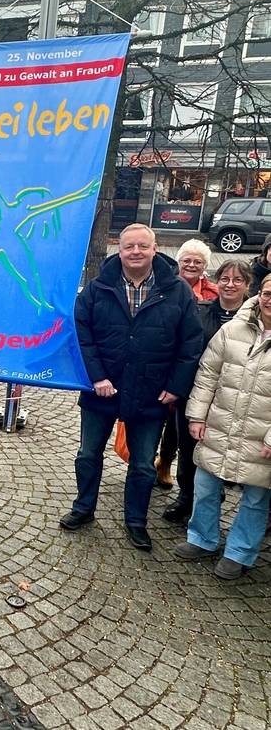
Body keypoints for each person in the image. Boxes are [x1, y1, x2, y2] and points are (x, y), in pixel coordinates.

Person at [60, 224, 202, 551]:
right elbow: (82, 334)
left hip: (152, 391)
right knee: (87, 454)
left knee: (141, 463)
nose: (135, 252)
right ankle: (83, 508)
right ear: (119, 251)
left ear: (155, 249)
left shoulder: (177, 290)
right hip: (101, 389)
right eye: (128, 246)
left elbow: (190, 344)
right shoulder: (97, 288)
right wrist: (96, 376)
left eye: (142, 246)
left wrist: (176, 386)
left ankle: (136, 521)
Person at [176, 273, 271, 579]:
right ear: (260, 294)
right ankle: (202, 538)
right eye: (268, 293)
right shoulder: (232, 330)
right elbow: (207, 375)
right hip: (221, 424)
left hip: (262, 435)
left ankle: (240, 552)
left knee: (256, 498)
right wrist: (197, 416)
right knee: (205, 486)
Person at [164, 259, 252, 525]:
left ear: (248, 285)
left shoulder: (253, 319)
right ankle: (186, 497)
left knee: (221, 451)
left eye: (237, 280)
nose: (230, 284)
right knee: (188, 447)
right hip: (194, 393)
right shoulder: (199, 310)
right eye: (225, 278)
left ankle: (214, 499)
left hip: (233, 398)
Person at [155, 238, 220, 489]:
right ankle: (151, 462)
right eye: (187, 260)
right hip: (165, 364)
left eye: (198, 261)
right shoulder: (165, 287)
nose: (192, 265)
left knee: (180, 423)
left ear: (205, 265)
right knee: (160, 417)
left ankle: (169, 465)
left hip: (197, 369)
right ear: (179, 261)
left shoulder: (213, 293)